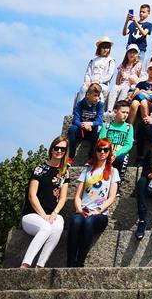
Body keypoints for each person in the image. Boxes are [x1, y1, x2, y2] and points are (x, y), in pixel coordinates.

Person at [66, 138, 119, 266]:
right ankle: (70, 262)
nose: (102, 152)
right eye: (99, 149)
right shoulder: (87, 170)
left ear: (109, 152)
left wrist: (98, 211)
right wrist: (79, 209)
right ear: (95, 151)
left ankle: (80, 262)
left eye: (105, 150)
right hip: (83, 210)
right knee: (75, 221)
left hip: (100, 214)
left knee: (89, 222)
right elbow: (78, 195)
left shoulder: (113, 171)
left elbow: (112, 197)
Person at [20, 136, 69, 268]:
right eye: (56, 148)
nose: (59, 151)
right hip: (32, 215)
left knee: (58, 226)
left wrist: (55, 213)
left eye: (62, 149)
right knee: (46, 227)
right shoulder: (40, 169)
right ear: (51, 149)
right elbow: (32, 195)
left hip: (51, 214)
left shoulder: (64, 173)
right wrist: (43, 215)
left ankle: (40, 265)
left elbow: (63, 198)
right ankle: (25, 264)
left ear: (65, 152)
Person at [97, 100, 134, 179]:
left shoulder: (129, 127)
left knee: (121, 159)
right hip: (106, 152)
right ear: (115, 111)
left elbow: (128, 144)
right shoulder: (106, 126)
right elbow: (101, 141)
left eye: (127, 113)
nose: (125, 115)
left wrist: (116, 153)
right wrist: (109, 153)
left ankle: (118, 182)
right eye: (123, 112)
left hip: (120, 154)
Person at [68, 83, 104, 161]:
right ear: (88, 95)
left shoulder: (100, 105)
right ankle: (70, 157)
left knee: (99, 131)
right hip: (81, 131)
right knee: (72, 129)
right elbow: (75, 120)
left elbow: (99, 121)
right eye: (95, 95)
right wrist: (83, 125)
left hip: (92, 131)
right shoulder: (80, 104)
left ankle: (91, 158)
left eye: (98, 96)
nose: (97, 98)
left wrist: (90, 124)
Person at [106, 44, 142, 113]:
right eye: (130, 52)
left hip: (130, 86)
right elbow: (118, 78)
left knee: (125, 89)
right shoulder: (123, 65)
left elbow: (139, 77)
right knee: (114, 87)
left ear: (137, 54)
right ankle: (109, 110)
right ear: (127, 54)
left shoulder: (138, 65)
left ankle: (119, 108)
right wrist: (118, 85)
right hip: (122, 84)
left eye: (134, 53)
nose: (132, 54)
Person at [77, 37, 115, 103]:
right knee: (83, 88)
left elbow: (109, 75)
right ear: (100, 48)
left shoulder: (111, 60)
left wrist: (99, 81)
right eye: (104, 47)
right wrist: (87, 81)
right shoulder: (93, 60)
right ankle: (79, 107)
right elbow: (87, 73)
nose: (106, 50)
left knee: (98, 90)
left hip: (102, 84)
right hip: (90, 83)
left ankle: (100, 108)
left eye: (107, 48)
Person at [127, 62, 152, 126]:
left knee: (143, 102)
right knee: (135, 103)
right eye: (150, 69)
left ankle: (146, 124)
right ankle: (129, 126)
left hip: (150, 104)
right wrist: (141, 92)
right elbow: (133, 97)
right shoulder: (141, 83)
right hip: (138, 101)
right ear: (147, 71)